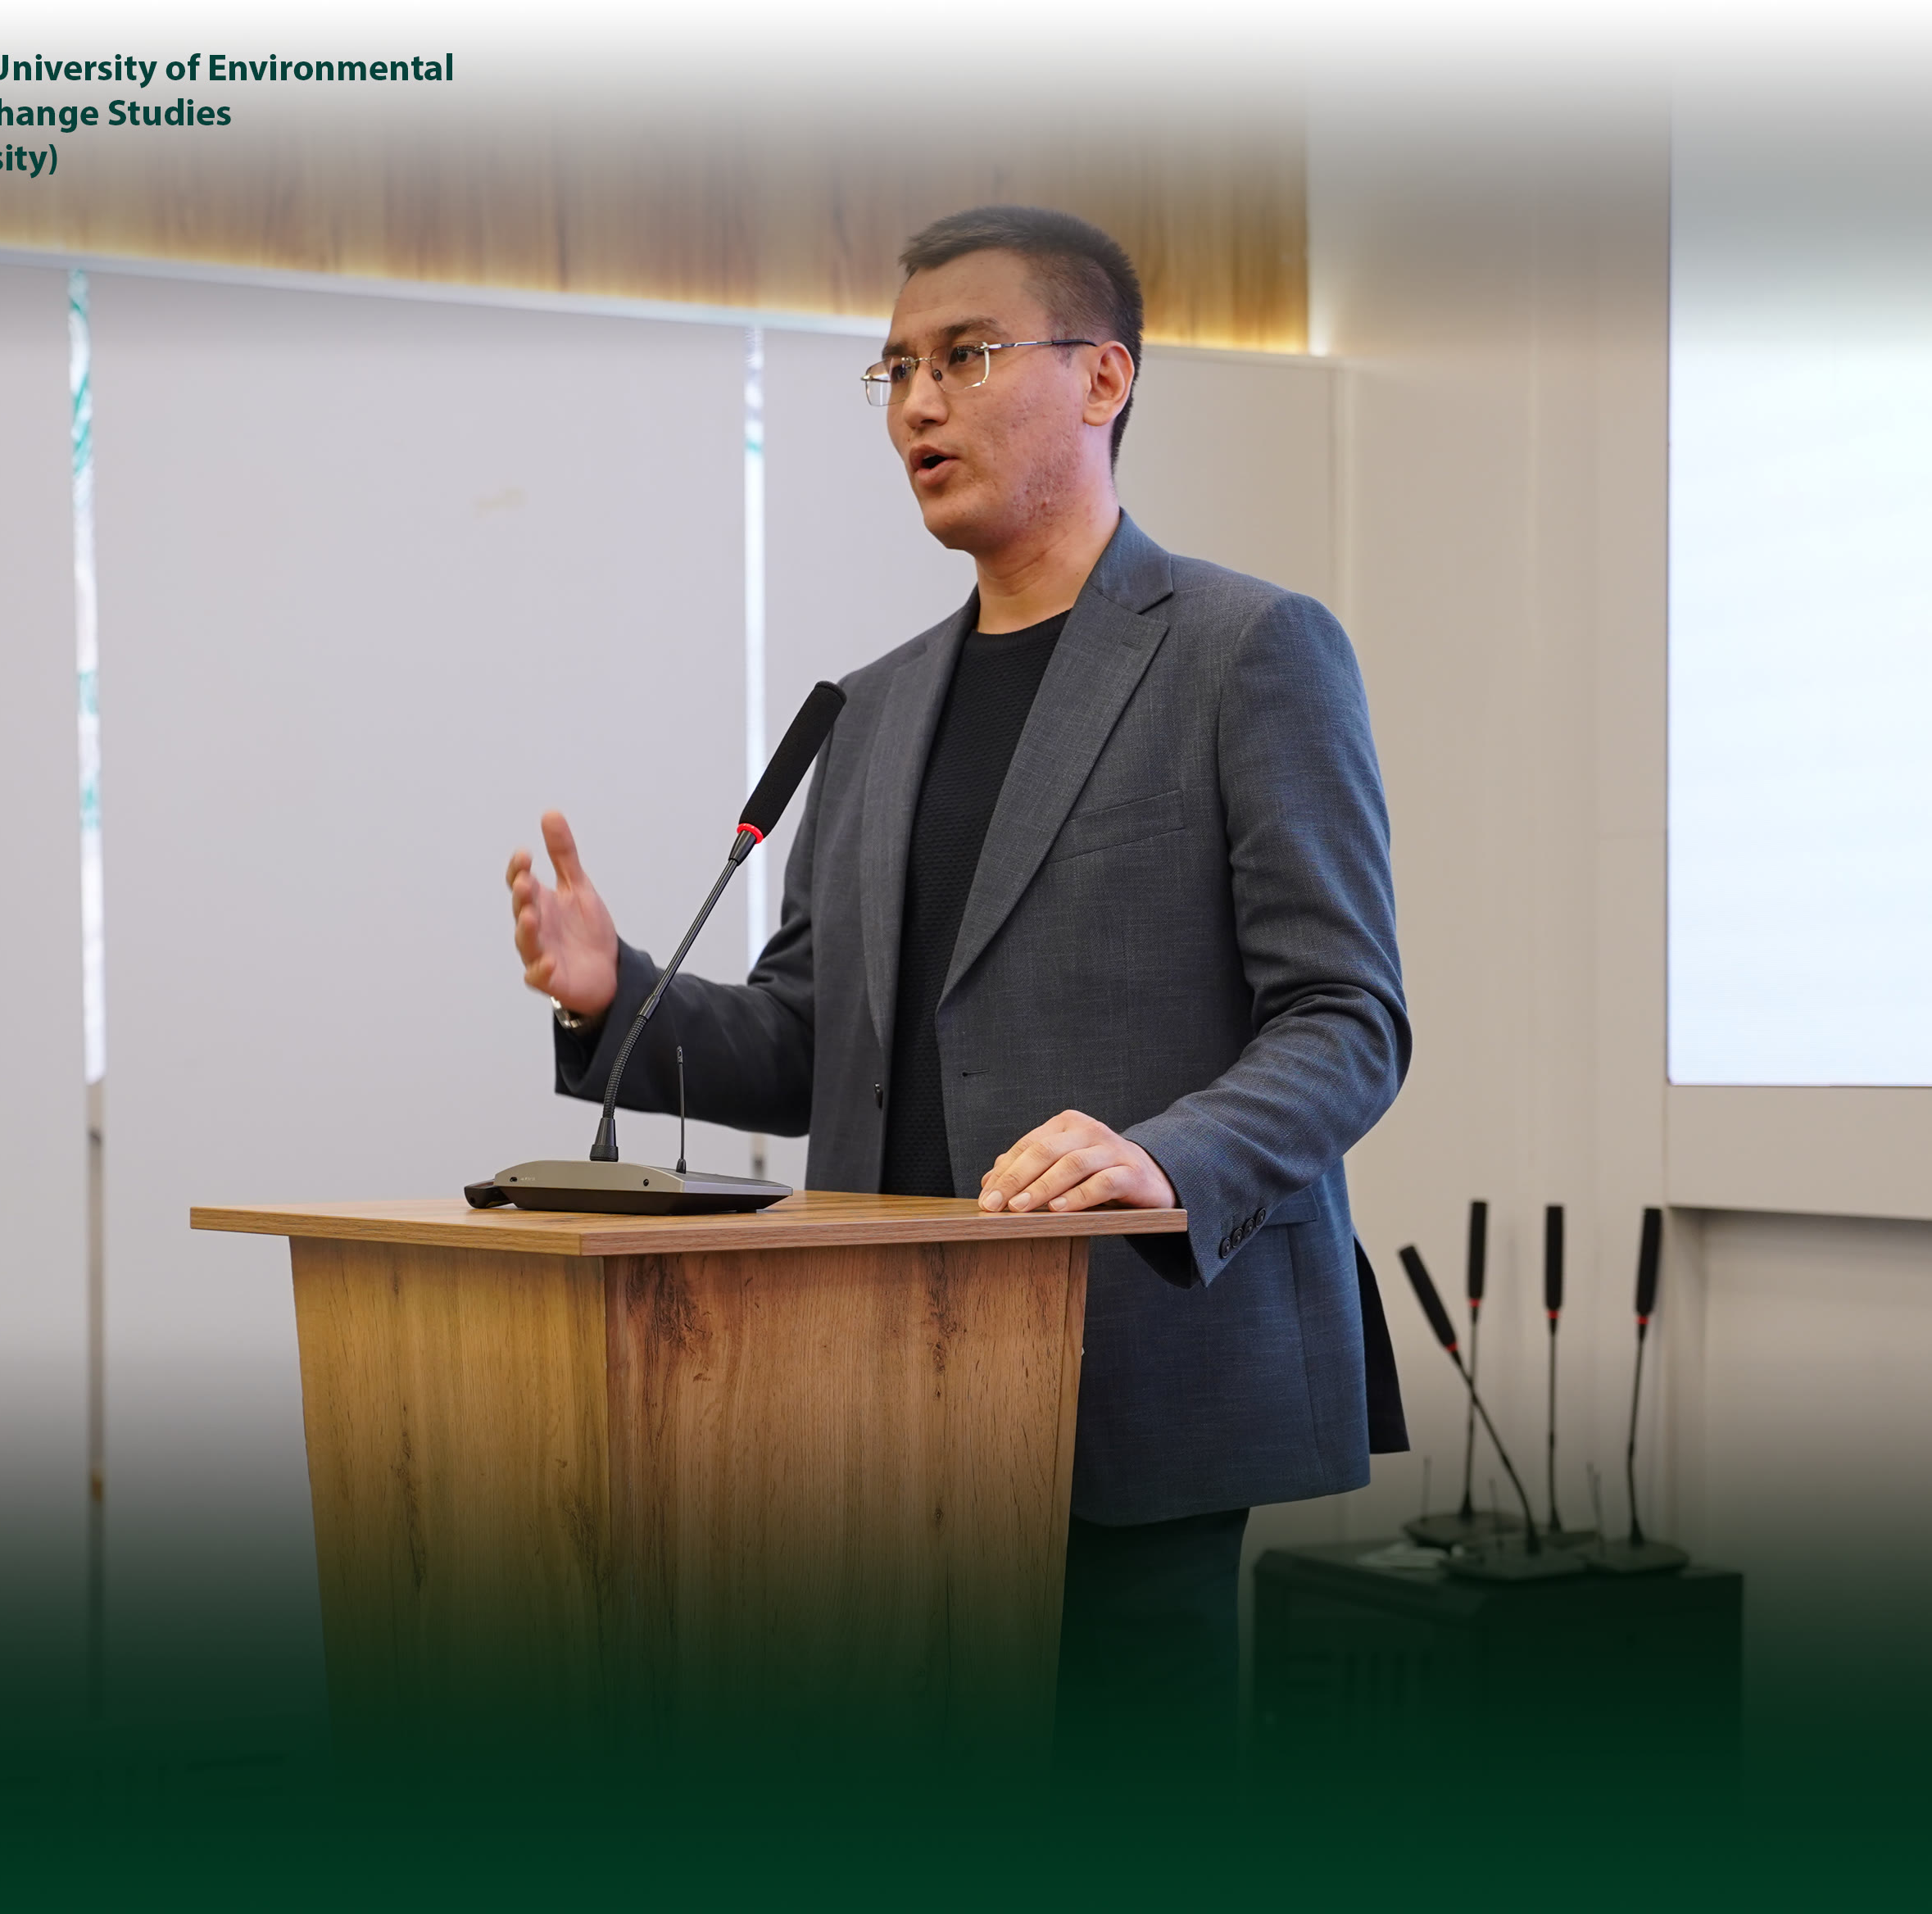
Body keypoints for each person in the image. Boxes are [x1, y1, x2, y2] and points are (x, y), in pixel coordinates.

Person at [506, 205, 1408, 1756]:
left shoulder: (1247, 650)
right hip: (874, 1372)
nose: (919, 404)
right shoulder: (864, 711)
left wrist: (1165, 1158)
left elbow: (1347, 1019)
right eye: (899, 370)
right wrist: (615, 995)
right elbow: (807, 1043)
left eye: (967, 357)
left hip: (1133, 1361)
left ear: (1105, 377)